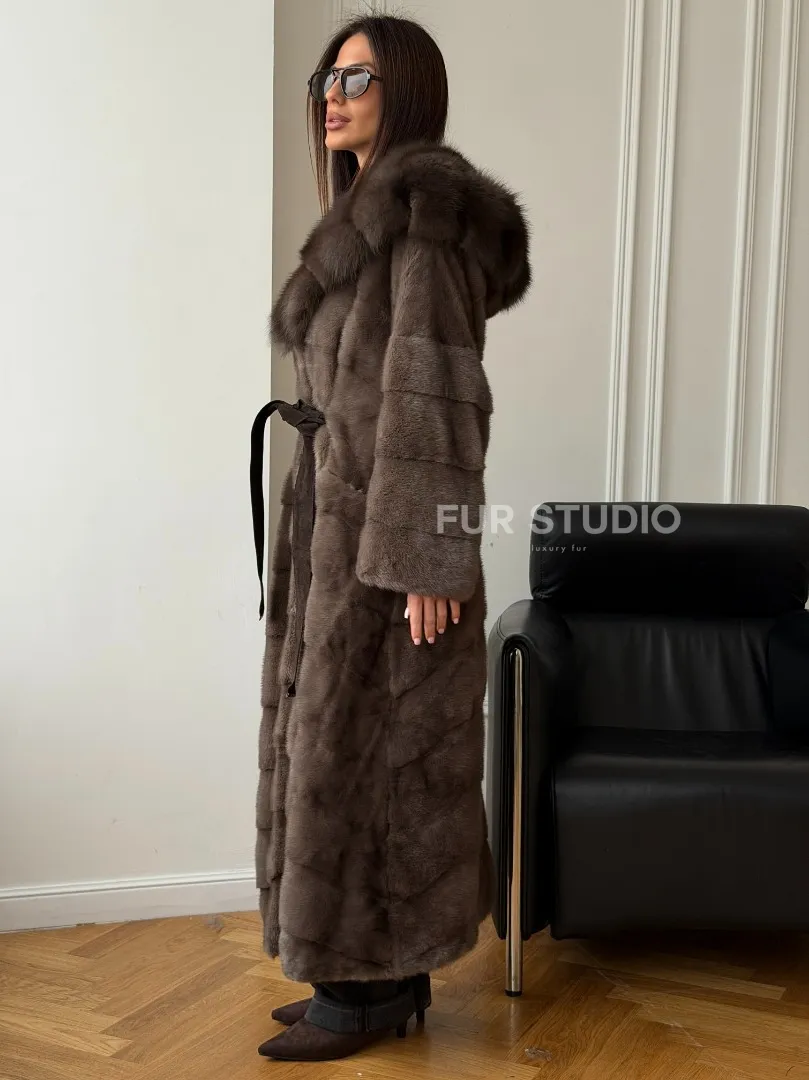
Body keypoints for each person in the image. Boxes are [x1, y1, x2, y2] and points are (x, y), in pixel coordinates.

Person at [250, 11, 532, 1063]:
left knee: (368, 759)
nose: (331, 94)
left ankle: (364, 990)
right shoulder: (368, 220)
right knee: (335, 746)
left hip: (389, 541)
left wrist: (428, 555)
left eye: (355, 77)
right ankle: (374, 976)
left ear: (403, 87)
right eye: (326, 77)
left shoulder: (422, 221)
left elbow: (439, 392)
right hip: (336, 525)